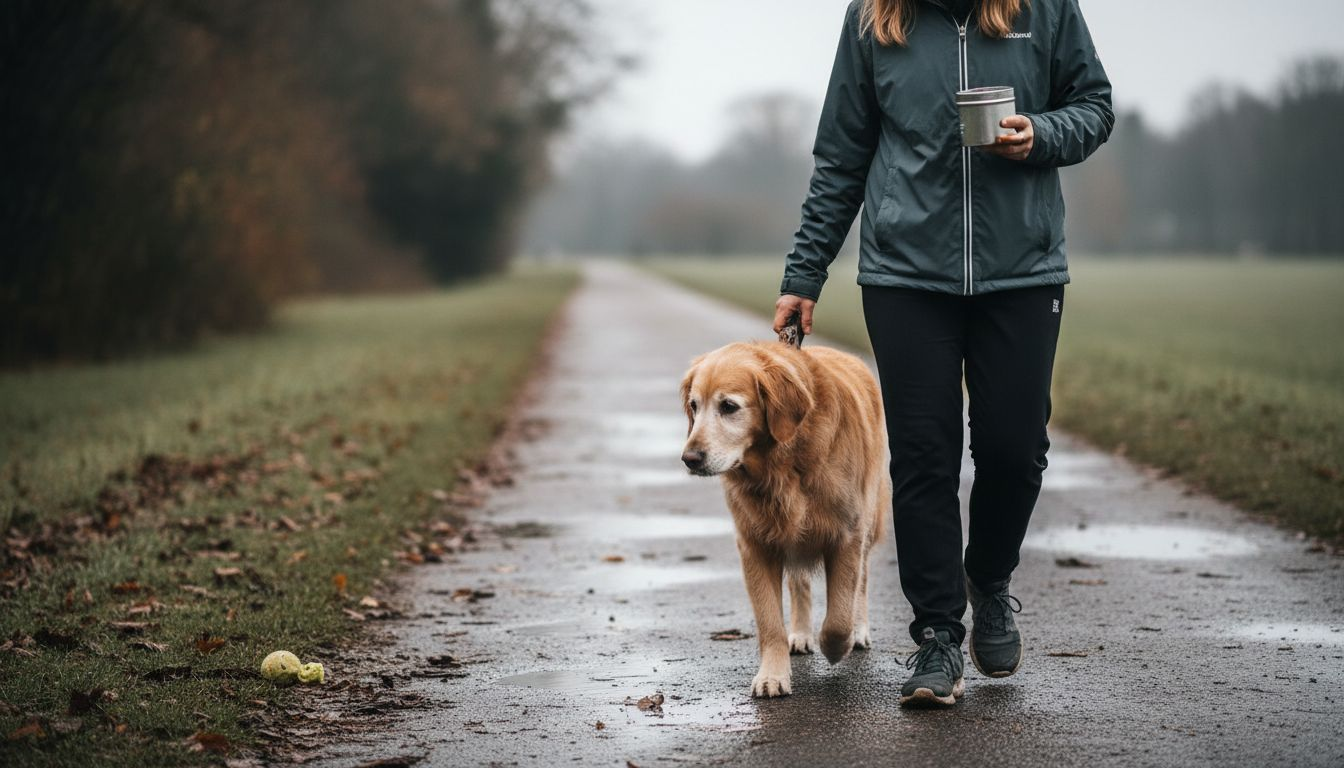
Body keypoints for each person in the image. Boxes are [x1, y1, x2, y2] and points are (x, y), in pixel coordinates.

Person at [773, 0, 1112, 707]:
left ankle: (988, 579)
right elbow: (841, 155)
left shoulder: (1044, 8)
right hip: (905, 275)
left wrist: (1041, 133)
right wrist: (804, 273)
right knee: (923, 455)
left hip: (1022, 271)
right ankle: (936, 636)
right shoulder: (873, 18)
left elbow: (1094, 106)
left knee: (1015, 450)